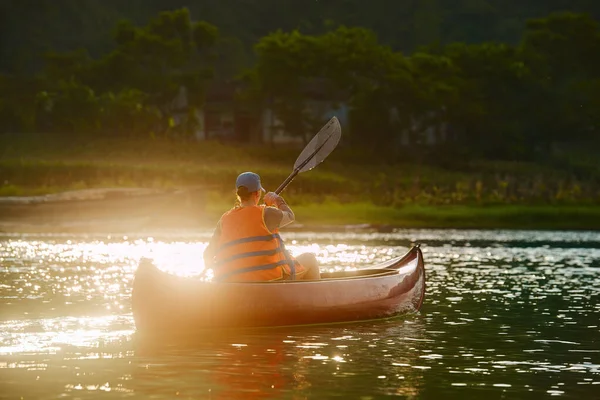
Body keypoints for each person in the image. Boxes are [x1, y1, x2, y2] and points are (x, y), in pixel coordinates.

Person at [203, 171, 320, 282]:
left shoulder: (224, 219)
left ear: (238, 194)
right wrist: (278, 200)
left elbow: (208, 254)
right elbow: (290, 216)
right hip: (269, 279)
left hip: (230, 282)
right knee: (309, 258)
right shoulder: (267, 213)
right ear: (257, 193)